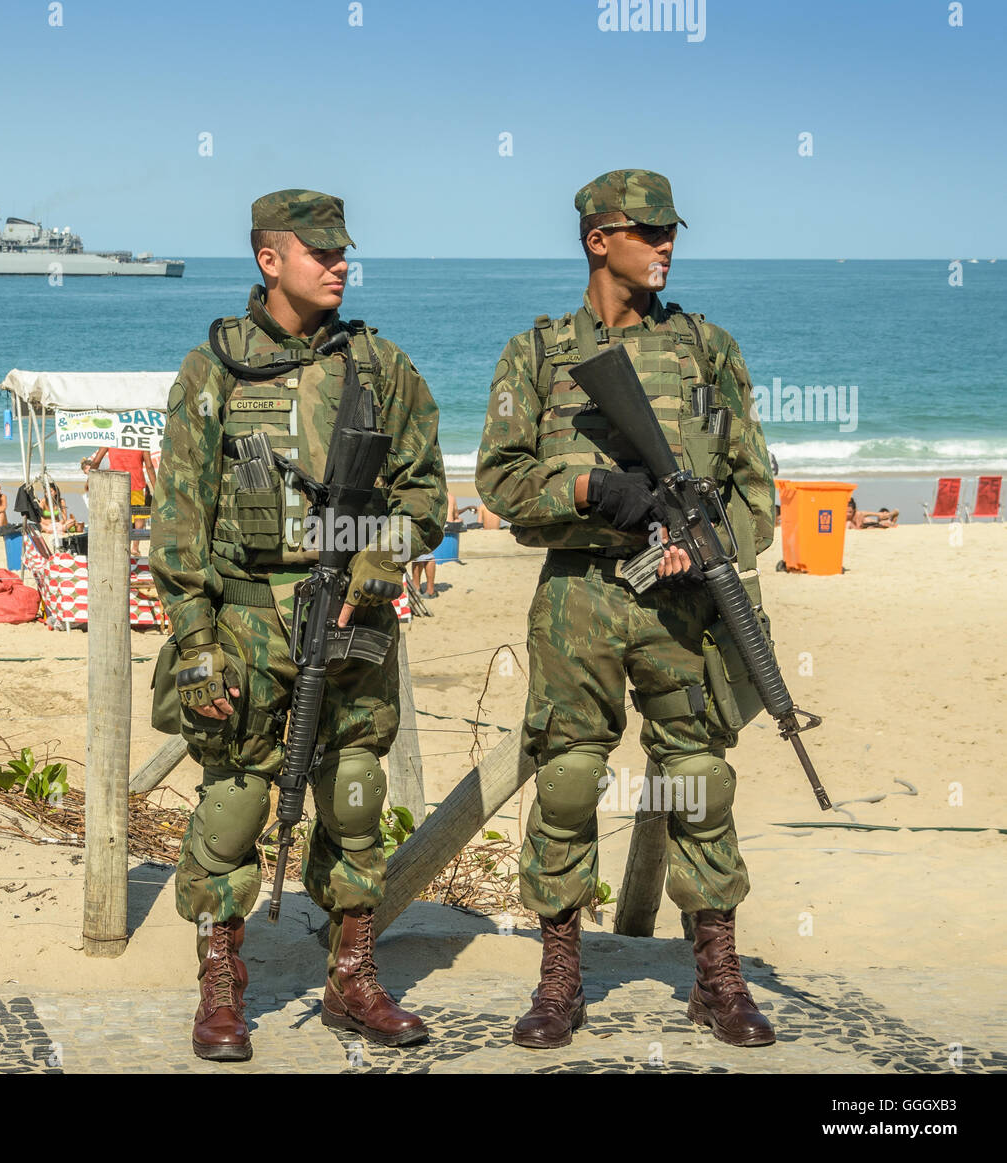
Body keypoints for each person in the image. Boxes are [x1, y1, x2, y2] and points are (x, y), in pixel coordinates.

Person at [476, 170, 779, 1050]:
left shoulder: (707, 348)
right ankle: (559, 975)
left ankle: (718, 976)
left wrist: (713, 544)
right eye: (645, 231)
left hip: (682, 602)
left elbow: (755, 488)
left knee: (702, 780)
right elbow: (499, 478)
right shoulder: (537, 355)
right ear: (597, 240)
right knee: (569, 781)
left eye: (670, 229)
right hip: (580, 595)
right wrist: (588, 486)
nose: (665, 244)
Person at [149, 189, 447, 1062]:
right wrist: (196, 639)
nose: (339, 264)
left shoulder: (382, 367)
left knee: (356, 794)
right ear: (268, 260)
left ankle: (351, 974)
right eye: (318, 252)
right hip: (244, 620)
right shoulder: (214, 370)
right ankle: (222, 982)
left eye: (343, 250)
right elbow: (177, 518)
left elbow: (428, 489)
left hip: (352, 617)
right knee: (236, 802)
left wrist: (381, 555)